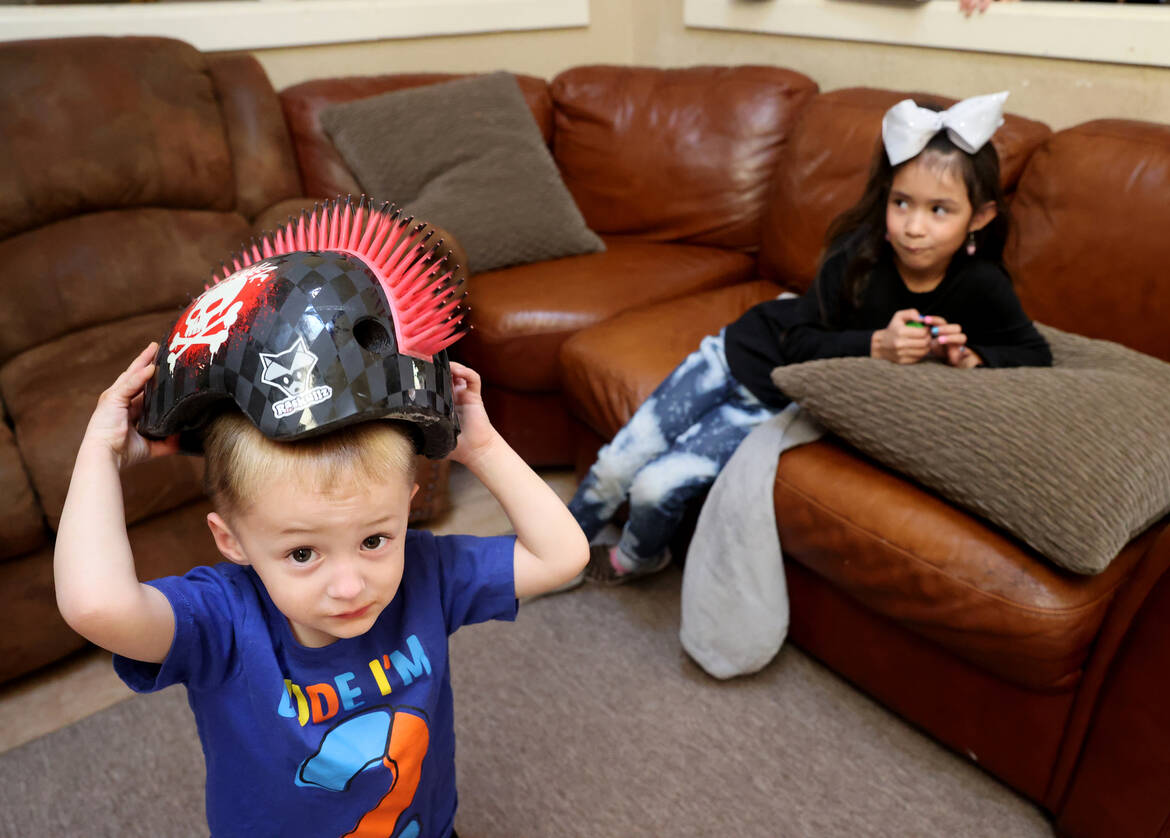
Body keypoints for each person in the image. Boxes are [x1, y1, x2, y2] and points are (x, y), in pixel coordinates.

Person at [53, 199, 589, 838]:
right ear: (232, 541)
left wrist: (482, 447)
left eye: (373, 539)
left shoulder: (426, 574)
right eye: (302, 553)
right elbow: (95, 605)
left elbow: (563, 555)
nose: (349, 585)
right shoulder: (224, 620)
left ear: (411, 503)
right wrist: (99, 450)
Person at [568, 91, 1052, 585]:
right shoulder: (856, 255)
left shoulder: (983, 285)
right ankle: (557, 550)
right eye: (901, 202)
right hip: (741, 352)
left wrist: (971, 356)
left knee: (654, 487)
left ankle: (636, 560)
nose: (913, 227)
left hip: (779, 404)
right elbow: (796, 343)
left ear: (980, 217)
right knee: (618, 463)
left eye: (939, 210)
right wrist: (875, 347)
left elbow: (1034, 354)